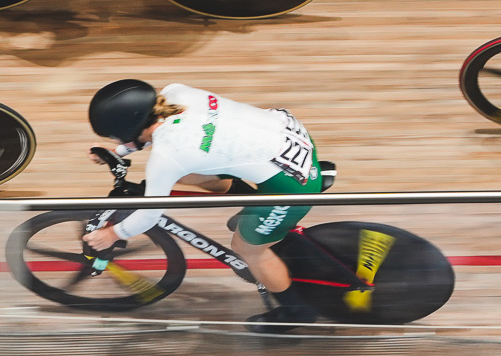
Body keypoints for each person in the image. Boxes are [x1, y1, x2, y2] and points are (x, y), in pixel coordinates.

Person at [79, 79, 325, 334]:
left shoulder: (167, 157)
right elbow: (169, 131)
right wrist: (120, 150)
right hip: (291, 137)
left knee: (247, 248)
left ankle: (296, 311)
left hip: (292, 185)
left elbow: (149, 214)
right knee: (190, 173)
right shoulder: (175, 93)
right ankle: (247, 203)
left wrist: (112, 234)